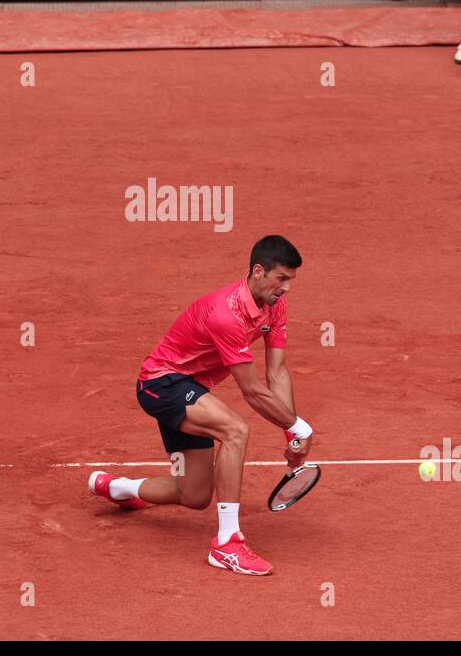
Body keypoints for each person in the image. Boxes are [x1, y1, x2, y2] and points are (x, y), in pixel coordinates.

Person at [89, 235, 313, 576]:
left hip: (191, 388)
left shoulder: (274, 306)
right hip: (161, 385)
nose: (286, 288)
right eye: (281, 278)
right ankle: (227, 544)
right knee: (235, 429)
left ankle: (120, 488)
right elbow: (252, 391)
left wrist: (290, 436)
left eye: (290, 280)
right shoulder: (226, 313)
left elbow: (277, 372)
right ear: (258, 271)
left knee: (194, 495)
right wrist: (299, 427)